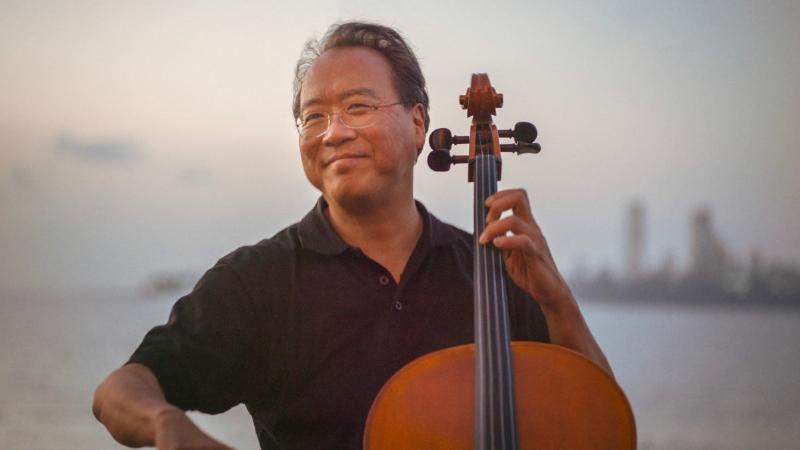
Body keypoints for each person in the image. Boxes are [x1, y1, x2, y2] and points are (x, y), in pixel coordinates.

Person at [92, 21, 612, 450]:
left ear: (417, 124)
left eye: (357, 107)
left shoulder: (491, 268)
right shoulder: (257, 281)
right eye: (312, 116)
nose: (332, 132)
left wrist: (558, 301)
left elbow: (598, 425)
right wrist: (168, 425)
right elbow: (122, 389)